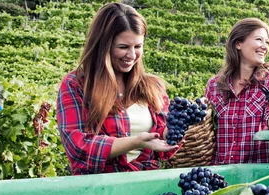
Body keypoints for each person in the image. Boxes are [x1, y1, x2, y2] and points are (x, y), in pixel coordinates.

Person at [56, 3, 180, 175]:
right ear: (103, 45)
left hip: (146, 185)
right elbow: (78, 146)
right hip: (98, 187)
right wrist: (136, 141)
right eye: (123, 47)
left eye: (138, 47)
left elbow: (161, 135)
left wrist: (178, 126)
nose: (131, 55)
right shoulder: (77, 85)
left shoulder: (153, 87)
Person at [205, 18, 269, 165]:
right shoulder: (214, 85)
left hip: (255, 176)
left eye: (267, 42)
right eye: (259, 40)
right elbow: (206, 129)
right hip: (219, 175)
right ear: (238, 44)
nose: (264, 46)